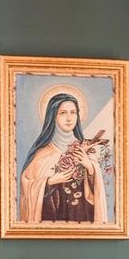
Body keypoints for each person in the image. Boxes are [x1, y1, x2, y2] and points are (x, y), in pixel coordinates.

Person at [19, 93, 107, 224]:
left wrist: (90, 168)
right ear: (53, 116)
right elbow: (26, 186)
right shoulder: (41, 154)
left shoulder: (86, 150)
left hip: (82, 219)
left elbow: (97, 196)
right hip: (51, 219)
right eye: (63, 113)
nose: (69, 118)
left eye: (73, 112)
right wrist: (49, 182)